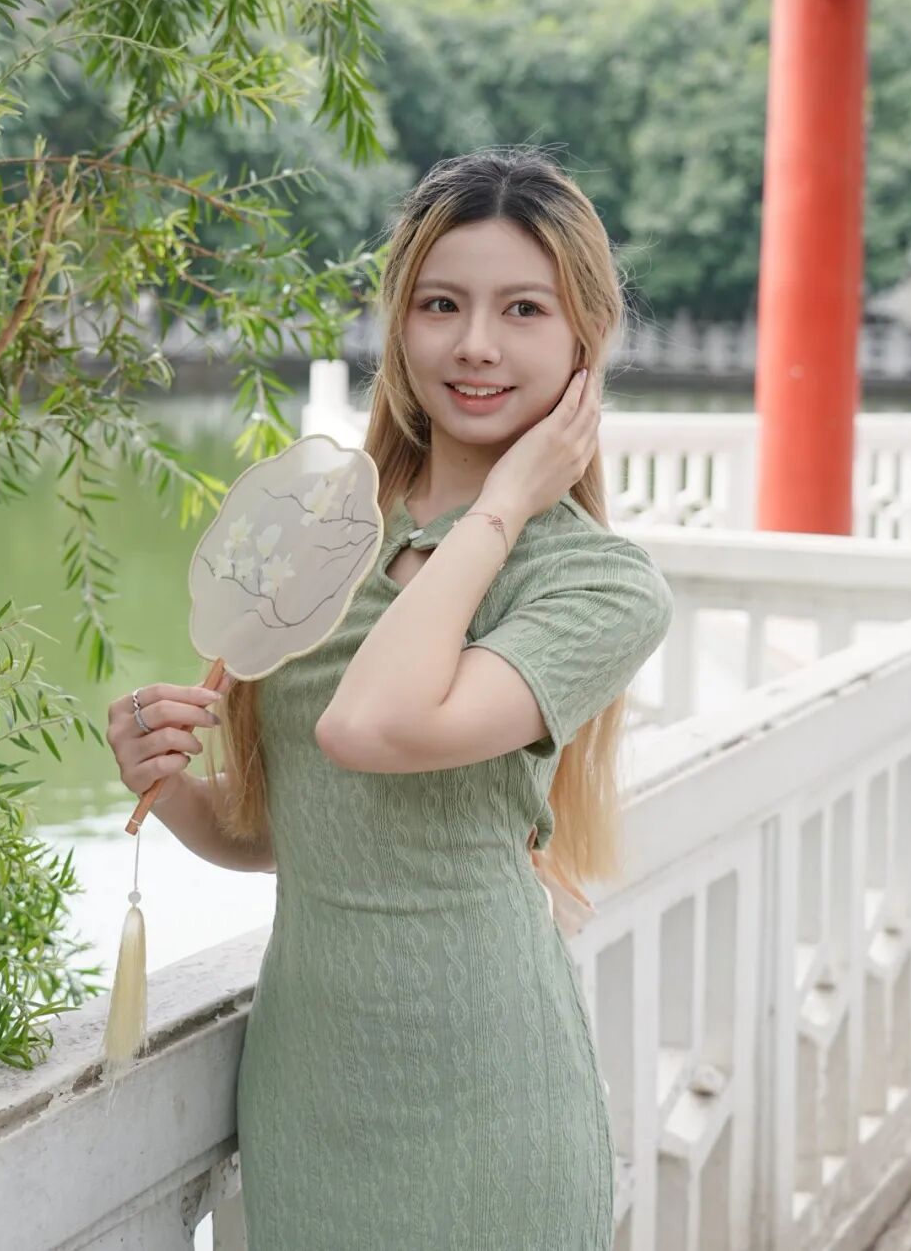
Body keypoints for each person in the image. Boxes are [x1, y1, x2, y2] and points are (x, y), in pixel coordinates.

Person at [107, 147, 675, 1250]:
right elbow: (295, 831)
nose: (475, 344)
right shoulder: (316, 535)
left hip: (491, 1089)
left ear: (587, 340)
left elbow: (370, 729)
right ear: (399, 323)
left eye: (523, 309)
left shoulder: (595, 583)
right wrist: (165, 780)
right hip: (311, 1087)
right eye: (440, 304)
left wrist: (504, 504)